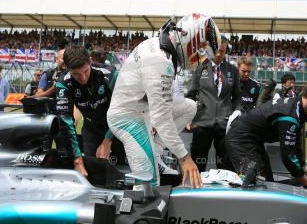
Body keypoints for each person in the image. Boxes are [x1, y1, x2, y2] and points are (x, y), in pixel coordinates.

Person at [107, 13, 221, 188]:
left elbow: (161, 109)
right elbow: (161, 118)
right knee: (149, 184)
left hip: (141, 109)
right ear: (190, 37)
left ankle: (156, 152)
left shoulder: (159, 46)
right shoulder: (160, 61)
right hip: (128, 118)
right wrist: (185, 157)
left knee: (189, 106)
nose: (200, 58)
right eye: (200, 49)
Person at [225, 81, 307, 194]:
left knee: (268, 184)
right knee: (255, 185)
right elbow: (288, 157)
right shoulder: (289, 115)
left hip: (252, 140)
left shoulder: (296, 105)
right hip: (240, 140)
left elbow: (295, 147)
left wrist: (303, 171)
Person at [56, 45, 116, 177]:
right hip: (91, 130)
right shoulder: (63, 83)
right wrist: (77, 161)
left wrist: (108, 140)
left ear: (90, 61)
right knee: (92, 173)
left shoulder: (110, 74)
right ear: (67, 67)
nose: (82, 78)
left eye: (85, 71)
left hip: (117, 128)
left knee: (121, 170)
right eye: (76, 74)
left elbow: (123, 109)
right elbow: (65, 121)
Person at [186, 35, 241, 173]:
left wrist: (237, 113)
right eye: (216, 50)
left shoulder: (233, 71)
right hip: (203, 122)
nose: (218, 54)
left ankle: (224, 193)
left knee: (225, 166)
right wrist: (187, 117)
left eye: (222, 51)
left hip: (225, 124)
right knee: (199, 163)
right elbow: (191, 95)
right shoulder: (200, 68)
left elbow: (237, 98)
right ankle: (196, 191)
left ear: (225, 51)